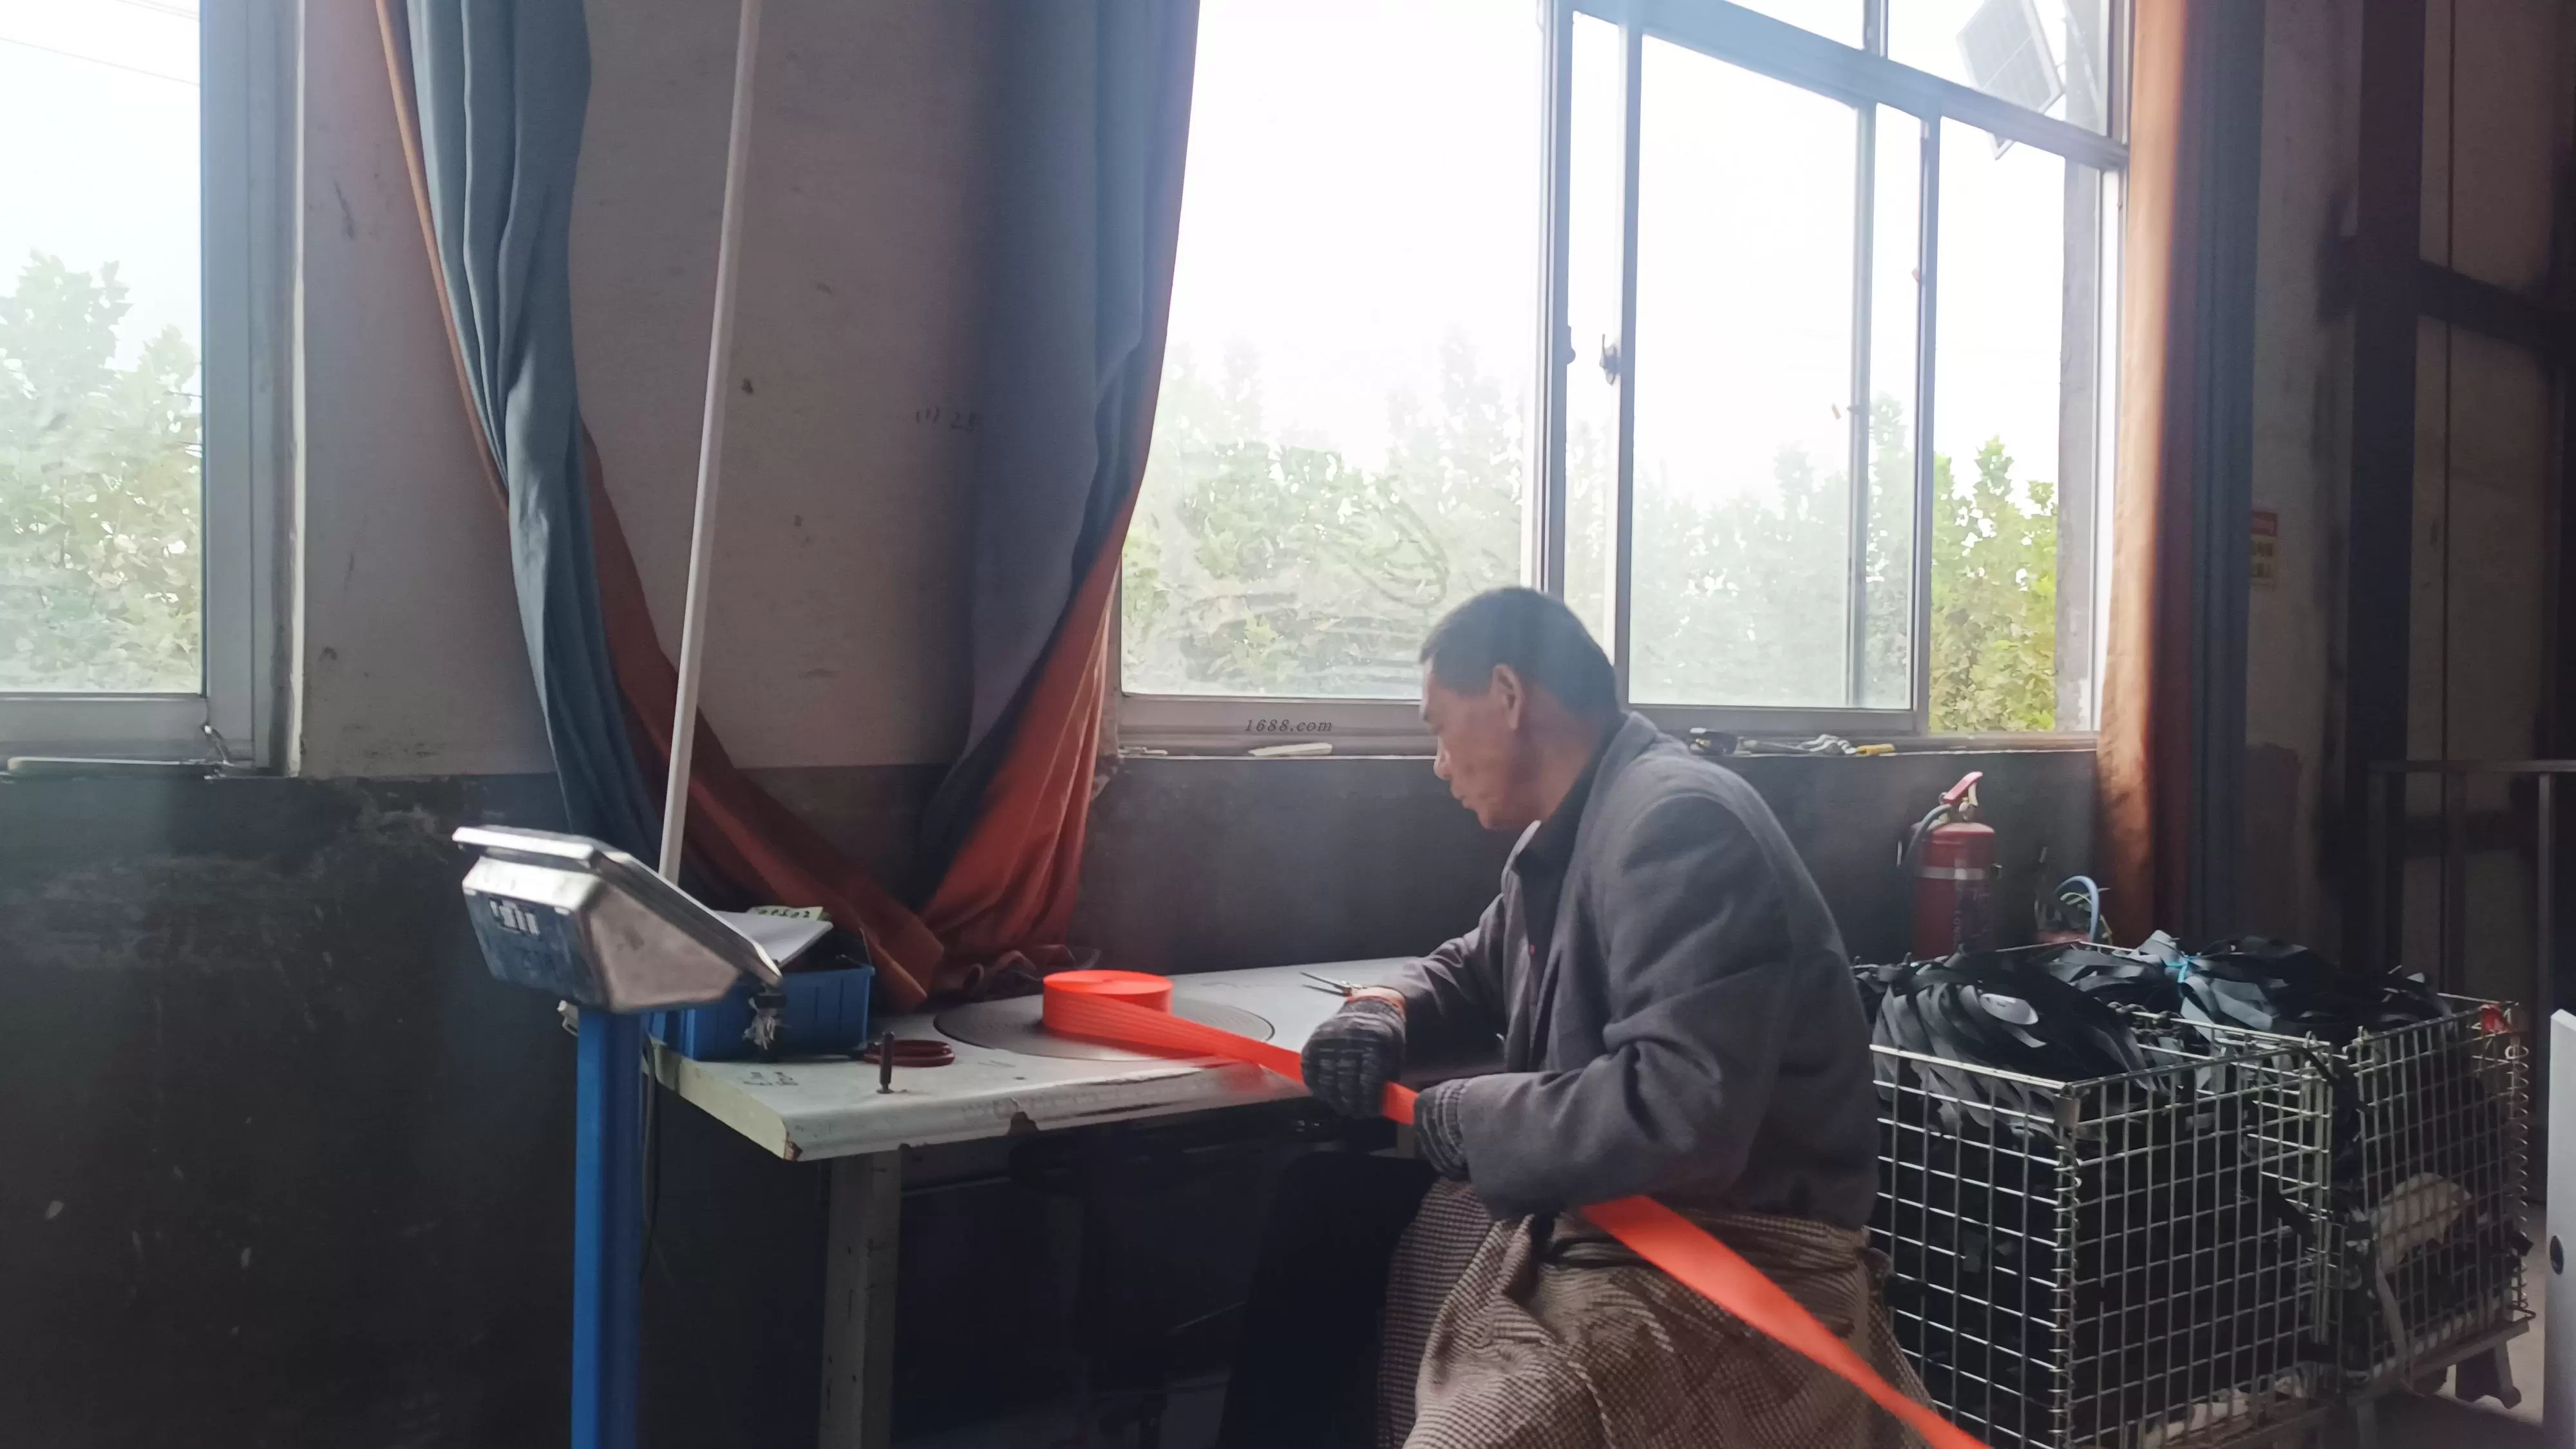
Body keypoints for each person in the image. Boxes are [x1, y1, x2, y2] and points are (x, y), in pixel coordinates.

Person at [1215, 587, 1918, 1449]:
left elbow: (1677, 1113)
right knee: (1327, 1209)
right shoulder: (1572, 832)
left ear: (1508, 695)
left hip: (1718, 1259)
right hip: (1608, 1220)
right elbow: (1473, 967)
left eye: (1440, 727)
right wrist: (1381, 1012)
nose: (1438, 762)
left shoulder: (1680, 823)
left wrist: (1463, 1114)